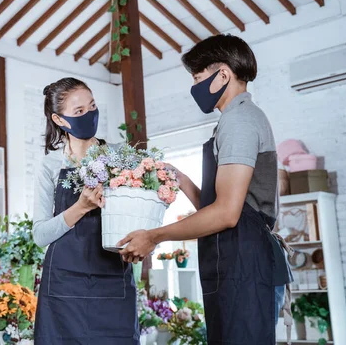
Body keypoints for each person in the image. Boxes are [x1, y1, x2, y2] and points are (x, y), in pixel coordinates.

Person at [118, 34, 292, 344]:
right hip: (235, 260)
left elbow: (226, 214)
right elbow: (221, 207)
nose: (195, 88)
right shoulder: (233, 120)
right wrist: (182, 179)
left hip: (244, 264)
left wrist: (154, 236)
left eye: (198, 78)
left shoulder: (239, 121)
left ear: (222, 75)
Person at [33, 77, 139, 345]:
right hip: (63, 288)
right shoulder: (50, 167)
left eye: (92, 107)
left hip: (112, 283)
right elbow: (40, 234)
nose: (89, 115)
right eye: (79, 112)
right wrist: (80, 207)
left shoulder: (121, 157)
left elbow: (139, 214)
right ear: (59, 120)